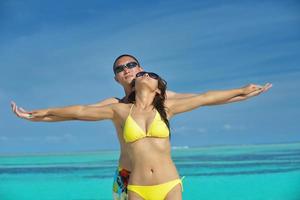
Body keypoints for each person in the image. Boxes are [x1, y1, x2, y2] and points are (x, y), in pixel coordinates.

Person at [11, 54, 271, 199]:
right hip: (128, 177)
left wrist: (241, 93)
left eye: (132, 65)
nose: (127, 69)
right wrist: (38, 115)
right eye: (120, 68)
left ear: (141, 70)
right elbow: (79, 113)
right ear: (116, 77)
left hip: (163, 178)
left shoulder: (164, 101)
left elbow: (204, 99)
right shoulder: (115, 105)